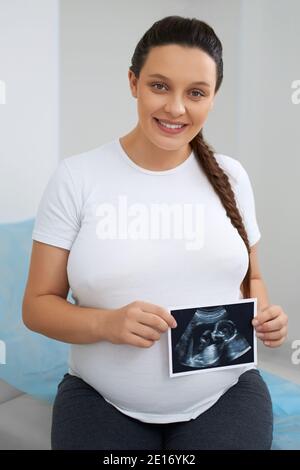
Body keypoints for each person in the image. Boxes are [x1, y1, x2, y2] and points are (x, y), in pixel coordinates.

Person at [22, 15, 288, 450]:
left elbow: (251, 279)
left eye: (196, 93)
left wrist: (266, 313)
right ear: (133, 82)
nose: (176, 108)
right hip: (100, 398)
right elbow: (36, 307)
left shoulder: (232, 178)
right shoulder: (77, 178)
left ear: (213, 98)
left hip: (226, 393)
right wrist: (106, 323)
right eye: (160, 86)